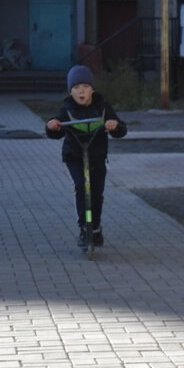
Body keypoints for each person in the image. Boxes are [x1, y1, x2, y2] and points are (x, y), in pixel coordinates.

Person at [45, 65, 127, 246]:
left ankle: (95, 229)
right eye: (76, 88)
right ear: (70, 91)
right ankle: (84, 228)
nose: (81, 91)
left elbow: (121, 129)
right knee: (83, 189)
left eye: (85, 87)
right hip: (74, 157)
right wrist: (52, 125)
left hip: (96, 157)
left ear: (92, 89)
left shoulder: (103, 108)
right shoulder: (67, 108)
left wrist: (114, 125)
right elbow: (56, 128)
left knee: (96, 193)